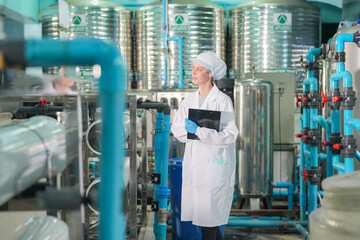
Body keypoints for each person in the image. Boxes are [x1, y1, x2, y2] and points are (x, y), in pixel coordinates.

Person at [171, 51, 239, 240]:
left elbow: (230, 134)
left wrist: (199, 131)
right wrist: (189, 131)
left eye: (198, 69)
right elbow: (177, 128)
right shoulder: (189, 100)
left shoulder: (222, 101)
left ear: (210, 74)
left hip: (214, 166)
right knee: (206, 221)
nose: (193, 72)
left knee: (209, 221)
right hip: (195, 164)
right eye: (193, 68)